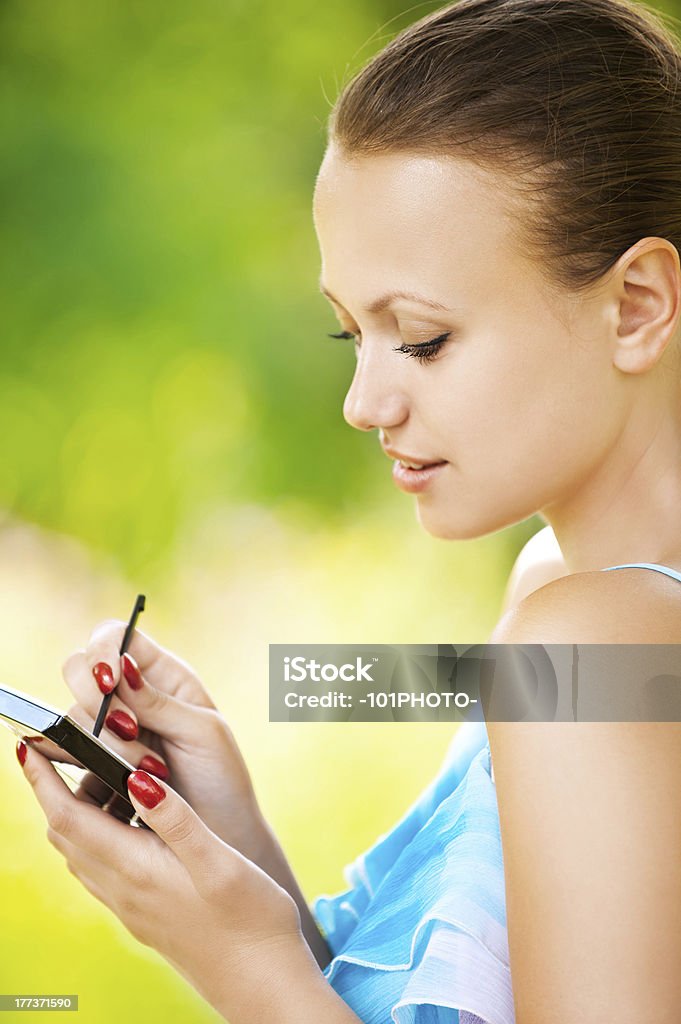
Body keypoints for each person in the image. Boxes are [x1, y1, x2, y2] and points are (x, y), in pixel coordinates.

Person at [15, 0, 681, 1020]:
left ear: (635, 304)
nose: (364, 403)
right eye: (348, 336)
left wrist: (241, 966)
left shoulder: (599, 640)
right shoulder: (565, 592)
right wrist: (239, 852)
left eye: (419, 337)